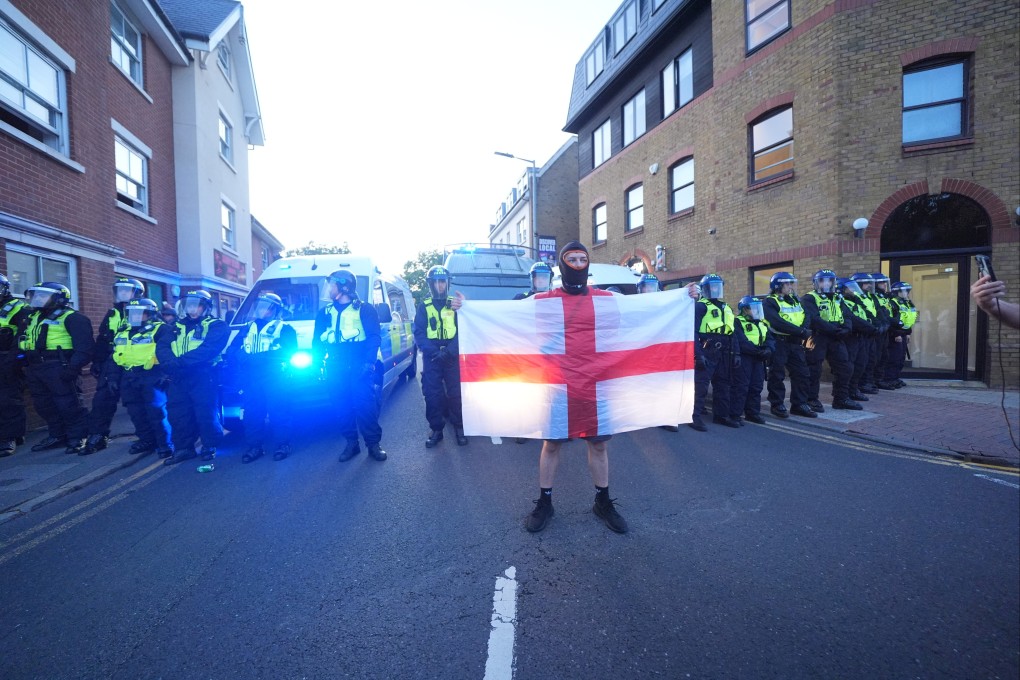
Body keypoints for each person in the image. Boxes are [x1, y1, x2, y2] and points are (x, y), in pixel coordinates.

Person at [525, 241, 627, 534]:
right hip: (558, 384)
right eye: (572, 259)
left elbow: (638, 316)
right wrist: (465, 308)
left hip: (595, 384)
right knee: (552, 443)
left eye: (583, 259)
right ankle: (545, 502)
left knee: (598, 444)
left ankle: (603, 501)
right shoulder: (544, 300)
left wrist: (687, 296)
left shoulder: (606, 299)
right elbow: (509, 319)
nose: (579, 264)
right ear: (562, 264)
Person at [313, 270, 386, 462]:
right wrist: (316, 364)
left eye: (332, 285)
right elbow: (317, 342)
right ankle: (351, 444)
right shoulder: (324, 313)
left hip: (359, 362)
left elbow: (373, 337)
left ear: (343, 287)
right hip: (335, 364)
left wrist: (369, 362)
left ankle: (373, 445)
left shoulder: (364, 309)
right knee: (341, 406)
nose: (328, 289)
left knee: (365, 406)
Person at [18, 282, 95, 453]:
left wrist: (72, 368)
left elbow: (85, 348)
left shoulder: (73, 317)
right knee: (43, 405)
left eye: (42, 296)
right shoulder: (32, 317)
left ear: (58, 298)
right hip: (35, 367)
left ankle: (78, 437)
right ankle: (57, 435)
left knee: (68, 404)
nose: (38, 299)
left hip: (58, 366)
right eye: (36, 295)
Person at [155, 290, 229, 465]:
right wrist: (169, 363)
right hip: (178, 376)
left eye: (196, 305)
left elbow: (208, 349)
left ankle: (209, 446)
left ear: (205, 307)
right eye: (189, 305)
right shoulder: (175, 326)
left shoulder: (216, 325)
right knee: (178, 412)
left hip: (203, 374)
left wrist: (179, 363)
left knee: (205, 412)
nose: (192, 309)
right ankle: (183, 449)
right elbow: (162, 346)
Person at [226, 293, 297, 463]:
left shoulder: (285, 328)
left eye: (265, 307)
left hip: (274, 376)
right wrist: (240, 356)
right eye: (259, 306)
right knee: (252, 413)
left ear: (275, 310)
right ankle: (254, 447)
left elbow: (288, 352)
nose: (261, 310)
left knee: (278, 411)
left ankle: (283, 445)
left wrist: (260, 358)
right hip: (251, 377)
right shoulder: (247, 328)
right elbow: (232, 349)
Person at [83, 277, 145, 454]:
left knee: (136, 402)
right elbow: (103, 339)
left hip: (135, 362)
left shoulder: (144, 310)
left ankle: (147, 436)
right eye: (120, 290)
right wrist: (97, 360)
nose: (122, 294)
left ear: (137, 294)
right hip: (111, 362)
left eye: (127, 291)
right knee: (102, 400)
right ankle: (98, 435)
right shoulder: (112, 313)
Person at [413, 265, 468, 448]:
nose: (439, 285)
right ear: (430, 284)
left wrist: (450, 351)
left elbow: (464, 329)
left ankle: (459, 428)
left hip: (451, 356)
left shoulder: (455, 304)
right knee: (432, 395)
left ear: (447, 283)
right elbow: (419, 332)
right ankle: (436, 430)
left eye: (442, 282)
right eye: (435, 282)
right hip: (432, 357)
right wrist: (433, 351)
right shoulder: (424, 306)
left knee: (455, 394)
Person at [111, 298, 173, 458]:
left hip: (152, 375)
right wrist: (112, 377)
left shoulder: (161, 329)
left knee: (156, 412)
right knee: (135, 412)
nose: (135, 316)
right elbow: (114, 355)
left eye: (140, 313)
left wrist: (166, 374)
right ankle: (146, 440)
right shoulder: (123, 331)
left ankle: (165, 444)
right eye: (131, 313)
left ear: (150, 314)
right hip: (129, 376)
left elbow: (169, 353)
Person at [802, 269, 861, 411]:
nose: (827, 283)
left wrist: (846, 328)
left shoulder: (838, 297)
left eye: (830, 280)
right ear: (817, 283)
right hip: (816, 336)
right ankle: (811, 399)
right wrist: (835, 330)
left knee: (845, 367)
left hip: (836, 337)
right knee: (814, 368)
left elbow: (847, 315)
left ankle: (841, 399)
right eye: (823, 280)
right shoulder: (809, 298)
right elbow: (814, 319)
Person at [762, 272, 816, 419]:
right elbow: (776, 322)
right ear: (778, 286)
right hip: (779, 342)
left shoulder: (795, 300)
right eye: (787, 284)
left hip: (795, 342)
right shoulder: (769, 302)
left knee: (802, 373)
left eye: (791, 283)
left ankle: (799, 404)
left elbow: (806, 315)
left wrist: (804, 329)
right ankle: (777, 403)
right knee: (777, 374)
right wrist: (800, 331)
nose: (790, 287)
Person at [690, 273, 740, 430]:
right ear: (704, 290)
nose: (715, 290)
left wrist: (737, 353)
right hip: (707, 349)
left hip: (726, 351)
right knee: (701, 385)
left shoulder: (727, 308)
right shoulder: (700, 306)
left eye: (718, 287)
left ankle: (721, 416)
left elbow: (733, 333)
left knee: (723, 385)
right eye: (712, 287)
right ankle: (694, 417)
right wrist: (698, 355)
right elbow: (693, 332)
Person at [0, 273, 31, 457]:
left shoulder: (18, 308)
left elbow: (22, 337)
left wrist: (11, 361)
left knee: (8, 400)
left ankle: (9, 438)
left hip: (6, 359)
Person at [732, 295, 773, 424]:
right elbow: (741, 341)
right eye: (753, 308)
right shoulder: (737, 322)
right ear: (744, 310)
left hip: (758, 358)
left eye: (758, 308)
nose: (756, 311)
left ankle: (752, 413)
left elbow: (770, 339)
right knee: (741, 387)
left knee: (756, 386)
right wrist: (758, 351)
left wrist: (768, 349)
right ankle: (735, 415)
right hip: (745, 358)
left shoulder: (763, 323)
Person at [839, 277, 879, 402]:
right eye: (850, 288)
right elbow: (853, 319)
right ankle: (845, 394)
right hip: (850, 337)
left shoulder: (856, 301)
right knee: (849, 367)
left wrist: (876, 325)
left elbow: (867, 315)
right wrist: (872, 328)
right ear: (843, 290)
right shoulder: (841, 302)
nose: (853, 290)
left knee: (860, 365)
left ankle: (854, 390)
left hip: (861, 337)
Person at [850, 273, 882, 394]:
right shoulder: (855, 298)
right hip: (860, 333)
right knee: (859, 362)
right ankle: (860, 385)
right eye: (866, 283)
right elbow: (856, 318)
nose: (869, 286)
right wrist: (871, 327)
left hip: (870, 332)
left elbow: (872, 313)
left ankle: (867, 382)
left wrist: (878, 325)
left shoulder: (869, 297)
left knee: (871, 359)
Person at [882, 281, 918, 388]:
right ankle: (889, 379)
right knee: (893, 358)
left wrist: (908, 333)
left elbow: (908, 320)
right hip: (895, 335)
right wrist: (896, 334)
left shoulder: (906, 303)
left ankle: (896, 378)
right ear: (897, 292)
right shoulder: (892, 303)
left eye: (907, 291)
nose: (906, 293)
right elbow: (891, 321)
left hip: (903, 333)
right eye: (904, 291)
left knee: (901, 358)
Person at [869, 273, 895, 390]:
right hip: (878, 330)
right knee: (876, 356)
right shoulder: (874, 296)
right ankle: (872, 380)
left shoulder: (885, 296)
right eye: (881, 283)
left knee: (884, 355)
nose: (884, 285)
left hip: (886, 329)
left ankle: (879, 379)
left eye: (885, 282)